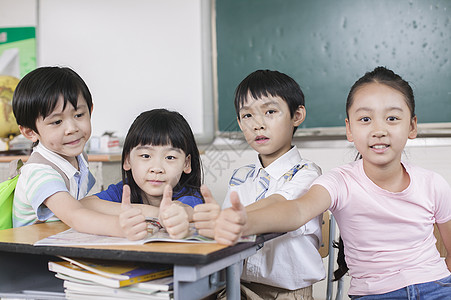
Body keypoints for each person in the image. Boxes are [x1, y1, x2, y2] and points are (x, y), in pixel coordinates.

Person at [212, 66, 451, 299]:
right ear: (349, 129)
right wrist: (241, 220)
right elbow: (296, 210)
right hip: (375, 294)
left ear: (411, 126)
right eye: (365, 119)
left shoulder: (432, 184)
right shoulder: (339, 181)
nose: (379, 130)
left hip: (437, 285)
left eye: (392, 118)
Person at [194, 70, 325, 299]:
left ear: (297, 115)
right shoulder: (240, 176)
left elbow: (278, 204)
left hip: (288, 294)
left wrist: (226, 218)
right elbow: (228, 232)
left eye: (270, 111)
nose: (258, 125)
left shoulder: (307, 174)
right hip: (239, 286)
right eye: (247, 116)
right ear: (239, 122)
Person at [12, 66, 146, 240]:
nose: (72, 128)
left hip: (61, 242)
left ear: (90, 111)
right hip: (30, 258)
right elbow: (75, 214)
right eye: (57, 121)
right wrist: (119, 226)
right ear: (30, 132)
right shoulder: (40, 172)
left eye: (78, 115)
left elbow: (85, 206)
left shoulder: (77, 157)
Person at [84, 109, 204, 239]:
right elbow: (84, 205)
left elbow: (185, 210)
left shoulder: (190, 196)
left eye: (170, 157)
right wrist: (153, 212)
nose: (157, 168)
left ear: (186, 163)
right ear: (127, 160)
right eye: (146, 155)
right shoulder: (125, 190)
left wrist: (174, 214)